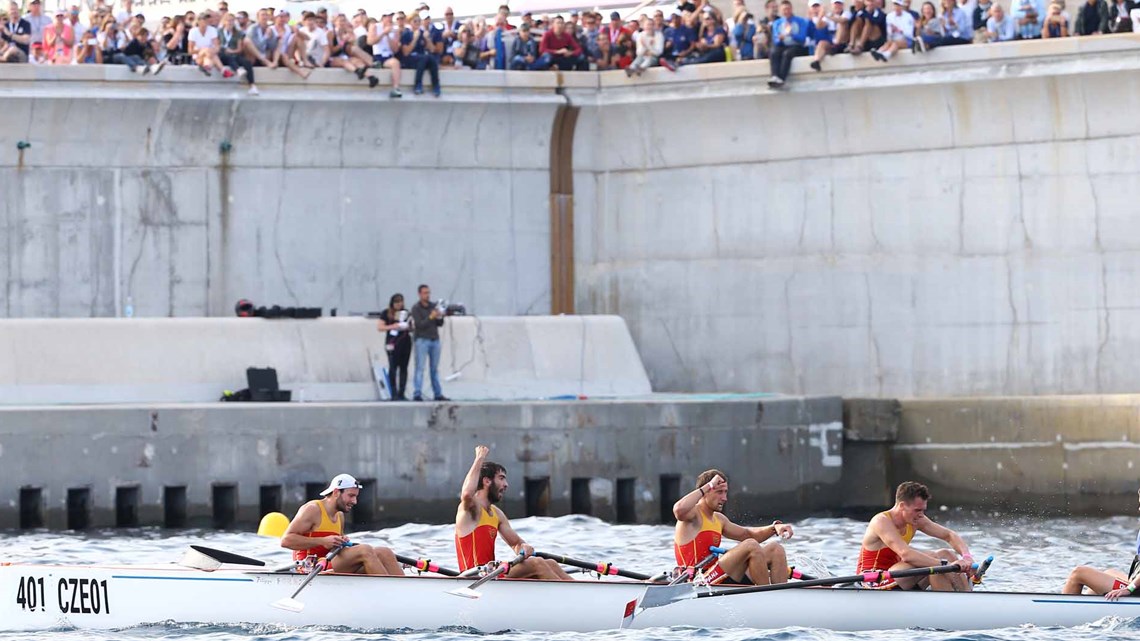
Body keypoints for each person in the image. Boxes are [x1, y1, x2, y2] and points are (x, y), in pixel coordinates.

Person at [455, 445, 573, 579]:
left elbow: (516, 543)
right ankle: (570, 598)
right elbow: (466, 493)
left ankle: (579, 593)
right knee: (537, 563)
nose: (506, 484)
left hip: (492, 574)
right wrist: (479, 458)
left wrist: (524, 547)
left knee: (550, 563)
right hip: (474, 576)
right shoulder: (471, 508)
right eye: (501, 478)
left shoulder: (497, 514)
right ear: (487, 481)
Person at [673, 470, 795, 585]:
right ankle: (765, 595)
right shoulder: (693, 515)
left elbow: (748, 534)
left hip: (717, 575)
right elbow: (678, 509)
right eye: (719, 492)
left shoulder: (719, 519)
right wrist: (709, 485)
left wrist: (775, 527)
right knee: (750, 545)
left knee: (775, 549)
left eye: (725, 492)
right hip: (697, 579)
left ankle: (779, 597)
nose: (724, 498)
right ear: (706, 492)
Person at [857, 481, 975, 591]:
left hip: (900, 575)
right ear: (902, 506)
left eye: (923, 510)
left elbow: (949, 535)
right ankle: (963, 598)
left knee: (946, 554)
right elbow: (906, 554)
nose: (921, 515)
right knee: (939, 560)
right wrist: (947, 565)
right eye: (917, 510)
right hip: (874, 579)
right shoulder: (881, 521)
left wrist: (967, 557)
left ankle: (962, 597)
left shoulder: (915, 519)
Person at [280, 473, 404, 575]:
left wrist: (340, 543)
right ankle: (388, 593)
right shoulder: (312, 509)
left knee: (384, 552)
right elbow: (286, 541)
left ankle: (404, 592)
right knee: (365, 550)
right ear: (336, 492)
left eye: (355, 497)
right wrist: (323, 541)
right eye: (350, 496)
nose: (354, 501)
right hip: (308, 566)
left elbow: (334, 549)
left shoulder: (340, 516)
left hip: (327, 563)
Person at [1062, 488, 1140, 599]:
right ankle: (1090, 608)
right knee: (1109, 572)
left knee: (1078, 573)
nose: (1139, 508)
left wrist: (1129, 589)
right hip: (1137, 582)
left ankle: (1065, 610)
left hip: (1136, 590)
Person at [411, 284, 448, 402]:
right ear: (420, 294)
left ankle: (438, 393)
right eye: (425, 293)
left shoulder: (433, 306)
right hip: (422, 340)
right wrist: (431, 317)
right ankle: (417, 393)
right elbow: (419, 325)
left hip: (434, 339)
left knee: (434, 368)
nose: (427, 295)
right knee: (420, 367)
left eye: (428, 293)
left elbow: (439, 324)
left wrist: (439, 317)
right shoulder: (416, 308)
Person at [767, 0, 809, 89]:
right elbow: (776, 39)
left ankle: (782, 78)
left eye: (788, 9)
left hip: (797, 46)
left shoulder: (800, 21)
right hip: (783, 45)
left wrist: (792, 34)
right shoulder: (777, 23)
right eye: (784, 10)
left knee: (787, 54)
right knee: (774, 52)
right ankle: (774, 75)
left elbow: (802, 39)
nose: (786, 12)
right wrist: (780, 39)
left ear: (791, 9)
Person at [377, 293, 412, 401]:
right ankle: (394, 392)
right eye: (396, 302)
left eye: (400, 302)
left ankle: (402, 392)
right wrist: (393, 326)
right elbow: (380, 327)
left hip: (405, 341)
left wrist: (409, 326)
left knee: (404, 367)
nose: (399, 304)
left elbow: (411, 326)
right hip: (392, 342)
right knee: (393, 367)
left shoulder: (406, 313)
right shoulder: (386, 313)